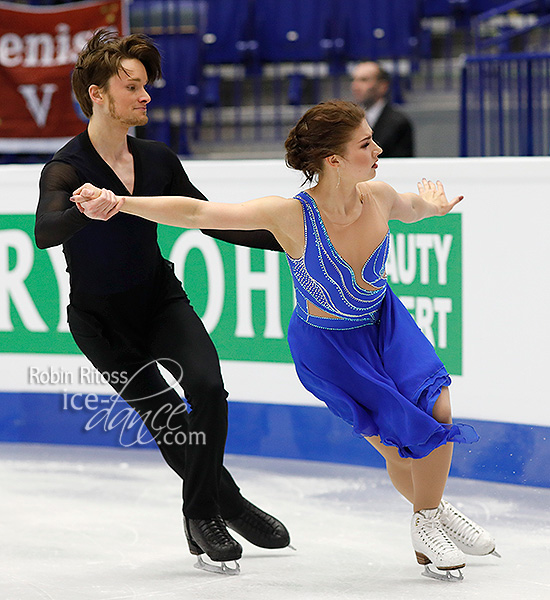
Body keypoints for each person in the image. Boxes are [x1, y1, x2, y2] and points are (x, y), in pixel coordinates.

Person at [72, 99, 499, 581]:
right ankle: (432, 516)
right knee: (402, 442)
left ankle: (428, 517)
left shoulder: (377, 195)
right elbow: (196, 212)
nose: (378, 149)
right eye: (365, 143)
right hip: (330, 347)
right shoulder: (290, 215)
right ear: (333, 160)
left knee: (437, 404)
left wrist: (435, 206)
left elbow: (415, 208)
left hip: (385, 323)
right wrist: (121, 203)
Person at [34, 29, 291, 575]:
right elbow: (45, 231)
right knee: (167, 416)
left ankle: (203, 510)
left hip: (159, 299)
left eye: (146, 86)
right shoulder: (67, 166)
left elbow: (208, 218)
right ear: (98, 93)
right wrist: (87, 211)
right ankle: (227, 505)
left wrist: (287, 242)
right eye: (132, 86)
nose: (145, 96)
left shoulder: (157, 159)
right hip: (101, 323)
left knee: (206, 386)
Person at [351, 61, 414, 158]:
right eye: (354, 80)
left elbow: (401, 164)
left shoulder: (398, 123)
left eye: (364, 80)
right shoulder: (350, 121)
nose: (355, 86)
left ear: (382, 86)